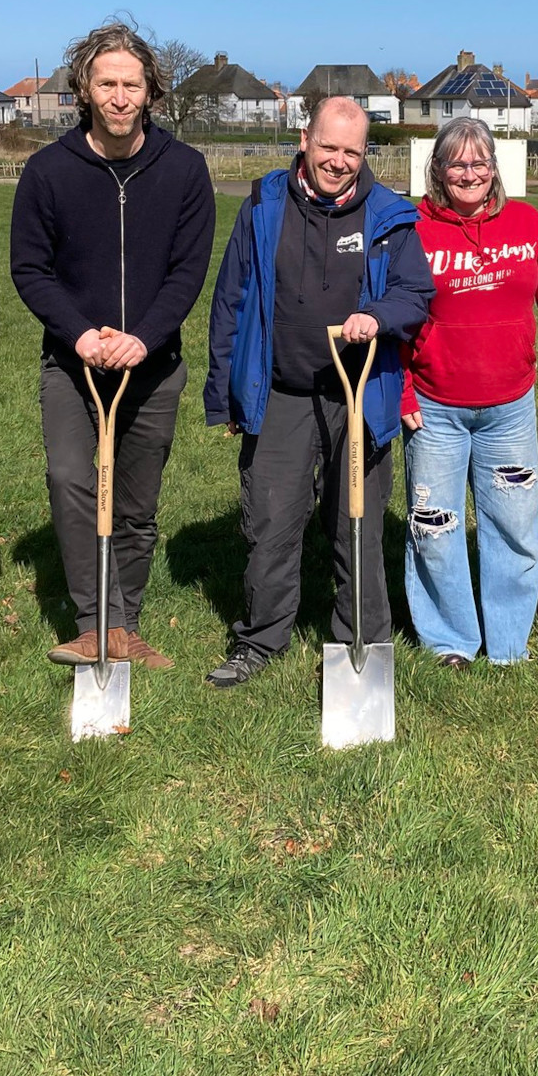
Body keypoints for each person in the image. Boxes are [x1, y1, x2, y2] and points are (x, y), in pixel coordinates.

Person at [203, 97, 435, 687]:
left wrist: (378, 317)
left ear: (365, 154)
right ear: (304, 140)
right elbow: (231, 298)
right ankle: (260, 641)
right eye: (328, 147)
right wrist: (225, 392)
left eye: (351, 152)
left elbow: (417, 295)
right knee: (271, 521)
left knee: (354, 520)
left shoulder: (389, 215)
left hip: (358, 393)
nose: (337, 161)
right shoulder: (263, 204)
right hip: (279, 388)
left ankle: (363, 639)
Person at [12, 21, 217, 672]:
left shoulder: (184, 169)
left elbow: (189, 270)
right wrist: (78, 334)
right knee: (72, 479)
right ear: (85, 89)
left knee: (134, 502)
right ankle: (94, 623)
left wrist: (144, 338)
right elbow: (30, 269)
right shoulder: (48, 171)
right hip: (71, 365)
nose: (120, 96)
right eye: (107, 83)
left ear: (151, 92)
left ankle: (123, 628)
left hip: (151, 366)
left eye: (132, 84)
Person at [402, 117, 538, 667]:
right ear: (437, 170)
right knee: (434, 527)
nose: (470, 172)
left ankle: (507, 644)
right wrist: (404, 394)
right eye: (457, 162)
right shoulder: (413, 228)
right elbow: (393, 317)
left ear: (494, 169)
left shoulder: (527, 223)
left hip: (509, 407)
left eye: (480, 162)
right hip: (434, 408)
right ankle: (451, 640)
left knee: (516, 526)